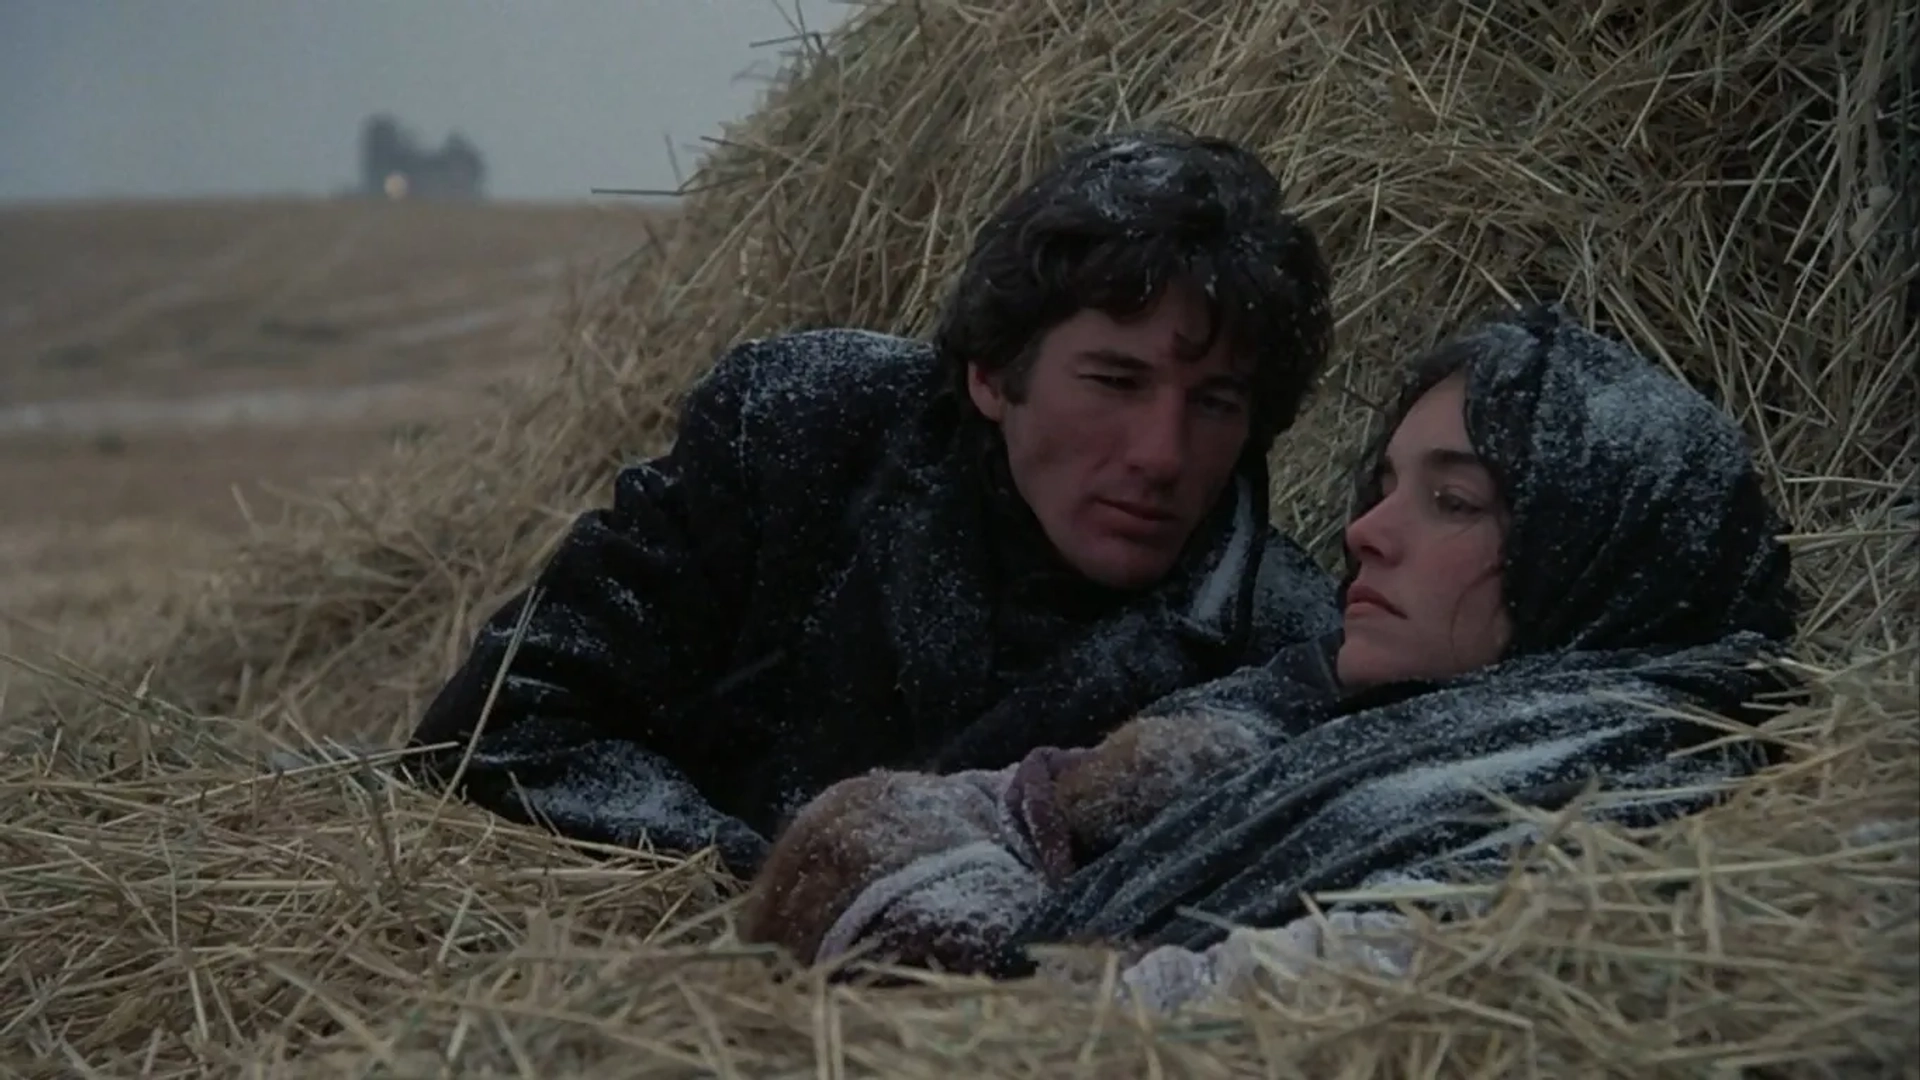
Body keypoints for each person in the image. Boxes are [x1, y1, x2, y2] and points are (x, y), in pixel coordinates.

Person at [737, 302, 1802, 990]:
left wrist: (1001, 968)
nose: (1365, 531)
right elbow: (935, 820)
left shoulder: (1604, 812)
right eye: (1383, 487)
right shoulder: (1302, 710)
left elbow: (1225, 1012)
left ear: (1596, 554)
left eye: (1453, 500)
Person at [401, 128, 1342, 878]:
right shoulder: (797, 436)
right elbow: (499, 729)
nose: (1161, 455)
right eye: (1114, 380)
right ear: (991, 373)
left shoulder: (1288, 644)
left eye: (1215, 403)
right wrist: (767, 891)